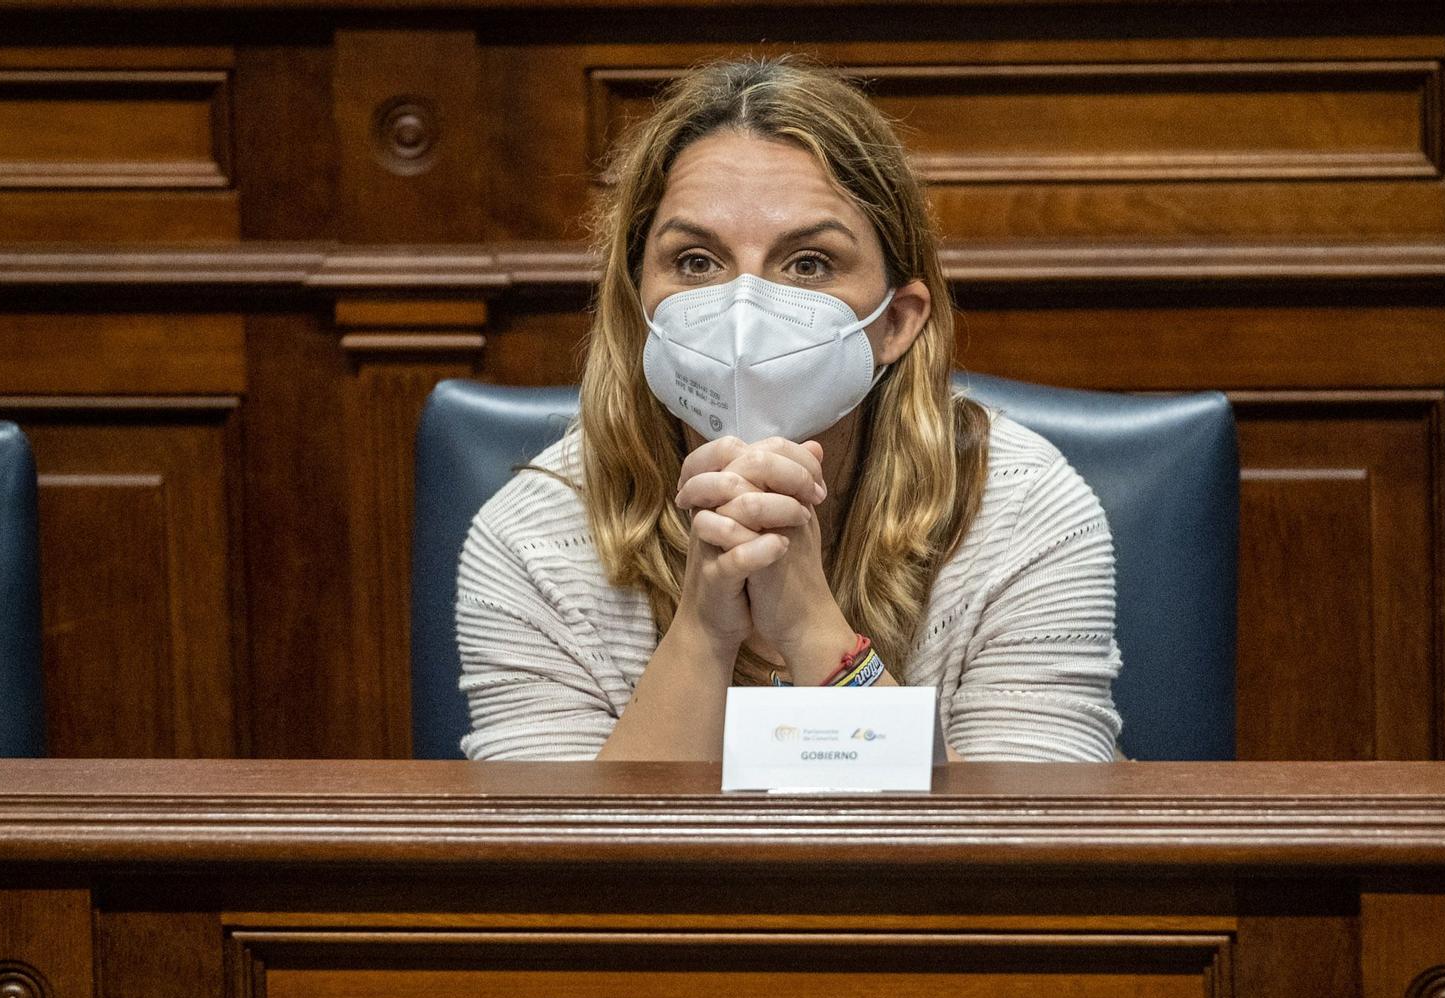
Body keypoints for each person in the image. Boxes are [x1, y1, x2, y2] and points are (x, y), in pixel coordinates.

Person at [456, 55, 1120, 762]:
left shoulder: (1025, 514)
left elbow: (1021, 856)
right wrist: (704, 632)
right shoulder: (531, 539)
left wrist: (809, 622)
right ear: (637, 304)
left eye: (808, 264)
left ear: (896, 321)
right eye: (696, 262)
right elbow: (558, 865)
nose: (744, 309)